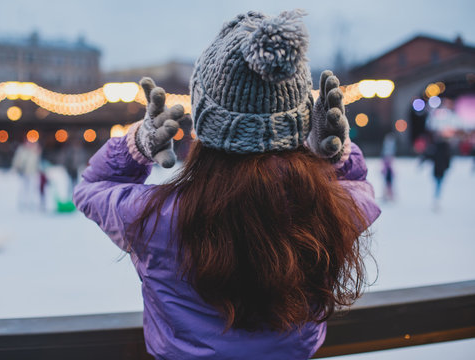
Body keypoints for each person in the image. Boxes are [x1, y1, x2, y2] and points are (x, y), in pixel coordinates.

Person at [74, 10, 380, 359]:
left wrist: (137, 147)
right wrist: (336, 159)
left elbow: (92, 187)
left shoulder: (158, 218)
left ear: (204, 121)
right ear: (302, 121)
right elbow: (356, 186)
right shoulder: (327, 211)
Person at [422, 134, 452, 211]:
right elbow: (448, 160)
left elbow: (428, 156)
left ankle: (436, 198)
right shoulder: (444, 149)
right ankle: (437, 198)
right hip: (440, 170)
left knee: (438, 184)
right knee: (438, 184)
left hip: (437, 170)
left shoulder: (436, 149)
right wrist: (447, 167)